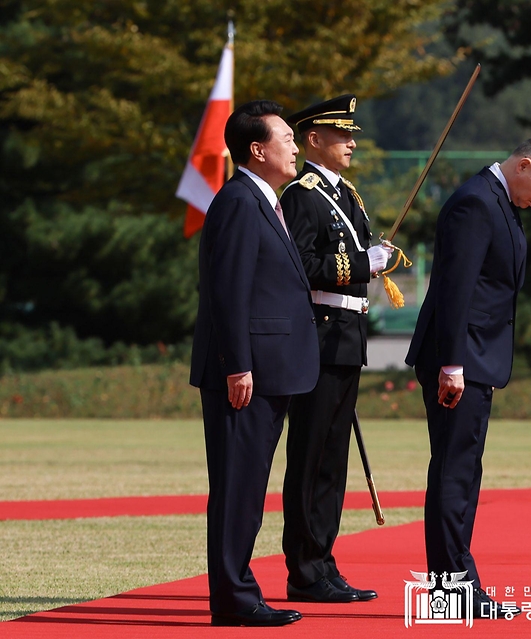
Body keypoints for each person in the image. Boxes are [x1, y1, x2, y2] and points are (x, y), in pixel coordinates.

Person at [405, 135, 531, 617]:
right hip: (459, 359)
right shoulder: (476, 203)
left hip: (477, 358)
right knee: (455, 473)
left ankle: (454, 584)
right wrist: (452, 364)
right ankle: (451, 589)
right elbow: (456, 287)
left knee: (463, 471)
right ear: (524, 164)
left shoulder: (500, 200)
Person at [190, 100, 320, 627]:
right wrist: (237, 365)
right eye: (287, 137)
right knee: (237, 485)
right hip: (246, 373)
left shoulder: (265, 201)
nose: (295, 145)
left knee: (247, 486)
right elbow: (228, 291)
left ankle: (237, 593)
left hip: (269, 368)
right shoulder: (241, 201)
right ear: (257, 149)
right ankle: (235, 598)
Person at [278, 95, 392, 604]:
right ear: (313, 140)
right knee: (310, 456)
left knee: (333, 459)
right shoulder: (302, 195)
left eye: (352, 135)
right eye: (342, 135)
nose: (351, 142)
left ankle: (323, 560)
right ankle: (303, 569)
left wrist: (376, 259)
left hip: (347, 335)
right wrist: (362, 265)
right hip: (319, 335)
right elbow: (298, 263)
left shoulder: (348, 195)